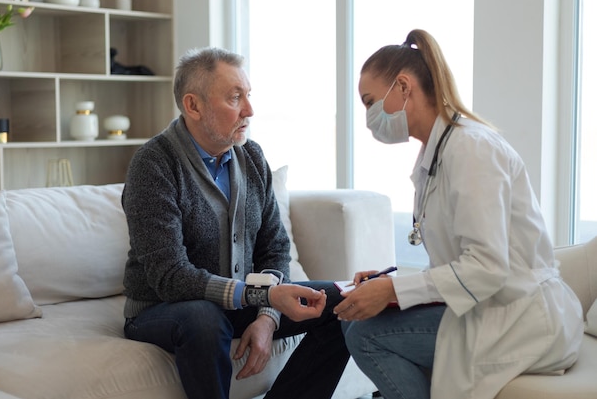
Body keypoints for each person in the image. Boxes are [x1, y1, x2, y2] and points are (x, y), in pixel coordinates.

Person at [334, 29, 583, 399]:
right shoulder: (439, 152)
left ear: (403, 86)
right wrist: (388, 284)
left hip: (523, 318)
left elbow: (487, 267)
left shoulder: (471, 149)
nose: (369, 117)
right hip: (494, 306)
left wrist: (394, 290)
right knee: (358, 319)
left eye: (370, 102)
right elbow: (460, 263)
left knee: (368, 336)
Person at [121, 46, 349, 399]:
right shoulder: (154, 164)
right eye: (234, 98)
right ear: (193, 105)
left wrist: (267, 315)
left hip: (239, 302)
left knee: (344, 301)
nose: (249, 110)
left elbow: (275, 247)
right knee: (203, 318)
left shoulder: (251, 158)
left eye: (248, 96)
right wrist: (261, 295)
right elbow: (170, 277)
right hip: (163, 309)